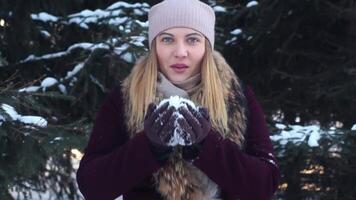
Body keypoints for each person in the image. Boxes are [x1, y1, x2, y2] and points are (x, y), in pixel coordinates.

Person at [76, 0, 280, 199]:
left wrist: (207, 147)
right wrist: (147, 147)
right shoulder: (124, 99)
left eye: (192, 39)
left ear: (206, 46)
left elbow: (264, 186)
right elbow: (92, 187)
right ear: (154, 45)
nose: (180, 52)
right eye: (167, 39)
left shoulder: (237, 96)